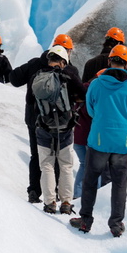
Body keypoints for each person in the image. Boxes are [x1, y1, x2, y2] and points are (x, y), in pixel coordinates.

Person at [71, 44, 127, 237]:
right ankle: (116, 224)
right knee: (119, 184)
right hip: (123, 142)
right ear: (126, 64)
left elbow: (91, 110)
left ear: (110, 61)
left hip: (99, 140)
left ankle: (85, 220)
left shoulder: (96, 83)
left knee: (90, 179)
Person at [11, 33, 82, 204]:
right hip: (62, 122)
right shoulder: (70, 71)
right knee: (60, 158)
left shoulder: (36, 64)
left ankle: (34, 191)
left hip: (35, 119)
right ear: (68, 52)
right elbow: (82, 95)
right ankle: (59, 194)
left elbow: (13, 78)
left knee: (38, 156)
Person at [32, 45, 84, 214]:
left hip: (44, 128)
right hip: (65, 129)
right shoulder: (68, 75)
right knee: (66, 166)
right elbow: (83, 94)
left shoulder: (38, 76)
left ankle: (49, 202)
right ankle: (66, 202)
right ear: (63, 61)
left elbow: (29, 101)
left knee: (46, 165)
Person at [75, 27, 125, 193]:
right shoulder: (126, 76)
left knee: (89, 164)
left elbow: (83, 96)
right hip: (115, 127)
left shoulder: (91, 63)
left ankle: (81, 195)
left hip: (88, 124)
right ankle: (101, 195)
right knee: (107, 167)